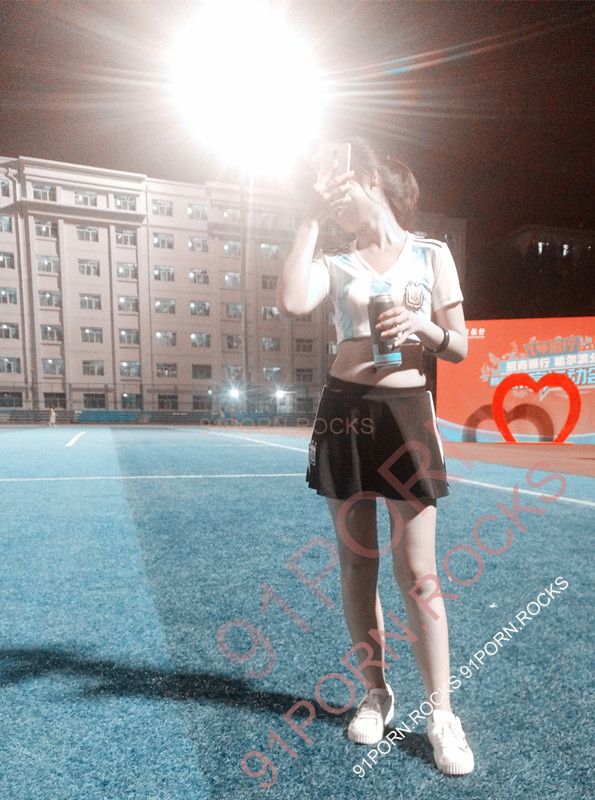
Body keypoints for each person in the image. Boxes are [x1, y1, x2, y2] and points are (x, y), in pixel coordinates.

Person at [276, 138, 474, 775]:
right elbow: (293, 300)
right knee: (357, 565)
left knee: (418, 572)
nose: (335, 203)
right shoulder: (335, 261)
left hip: (407, 411)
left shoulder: (431, 253)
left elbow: (460, 346)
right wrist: (309, 217)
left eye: (340, 190)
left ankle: (441, 712)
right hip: (344, 411)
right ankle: (377, 693)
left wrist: (423, 329)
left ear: (371, 182)